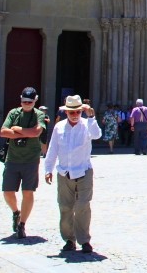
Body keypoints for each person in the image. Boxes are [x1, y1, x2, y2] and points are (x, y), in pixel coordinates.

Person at [44, 95, 101, 254]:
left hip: (83, 171)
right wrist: (48, 169)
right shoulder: (59, 127)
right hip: (64, 172)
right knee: (65, 207)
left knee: (83, 206)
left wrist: (91, 117)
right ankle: (69, 239)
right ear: (66, 112)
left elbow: (97, 135)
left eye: (78, 112)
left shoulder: (87, 125)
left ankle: (84, 240)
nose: (75, 115)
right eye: (71, 112)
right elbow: (53, 148)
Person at [0, 86, 48, 239]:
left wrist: (17, 129)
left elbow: (36, 132)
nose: (26, 104)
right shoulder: (13, 113)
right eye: (24, 101)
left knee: (28, 192)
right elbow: (3, 132)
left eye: (30, 101)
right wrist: (27, 132)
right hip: (13, 158)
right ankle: (16, 212)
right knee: (7, 192)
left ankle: (22, 225)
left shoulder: (39, 115)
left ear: (35, 100)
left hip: (31, 160)